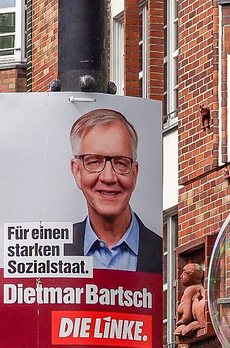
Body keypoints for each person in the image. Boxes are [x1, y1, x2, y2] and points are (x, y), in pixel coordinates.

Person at [66, 109, 161, 274]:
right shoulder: (54, 254)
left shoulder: (165, 251)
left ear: (134, 172)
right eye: (94, 162)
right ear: (77, 171)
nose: (109, 177)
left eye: (120, 163)